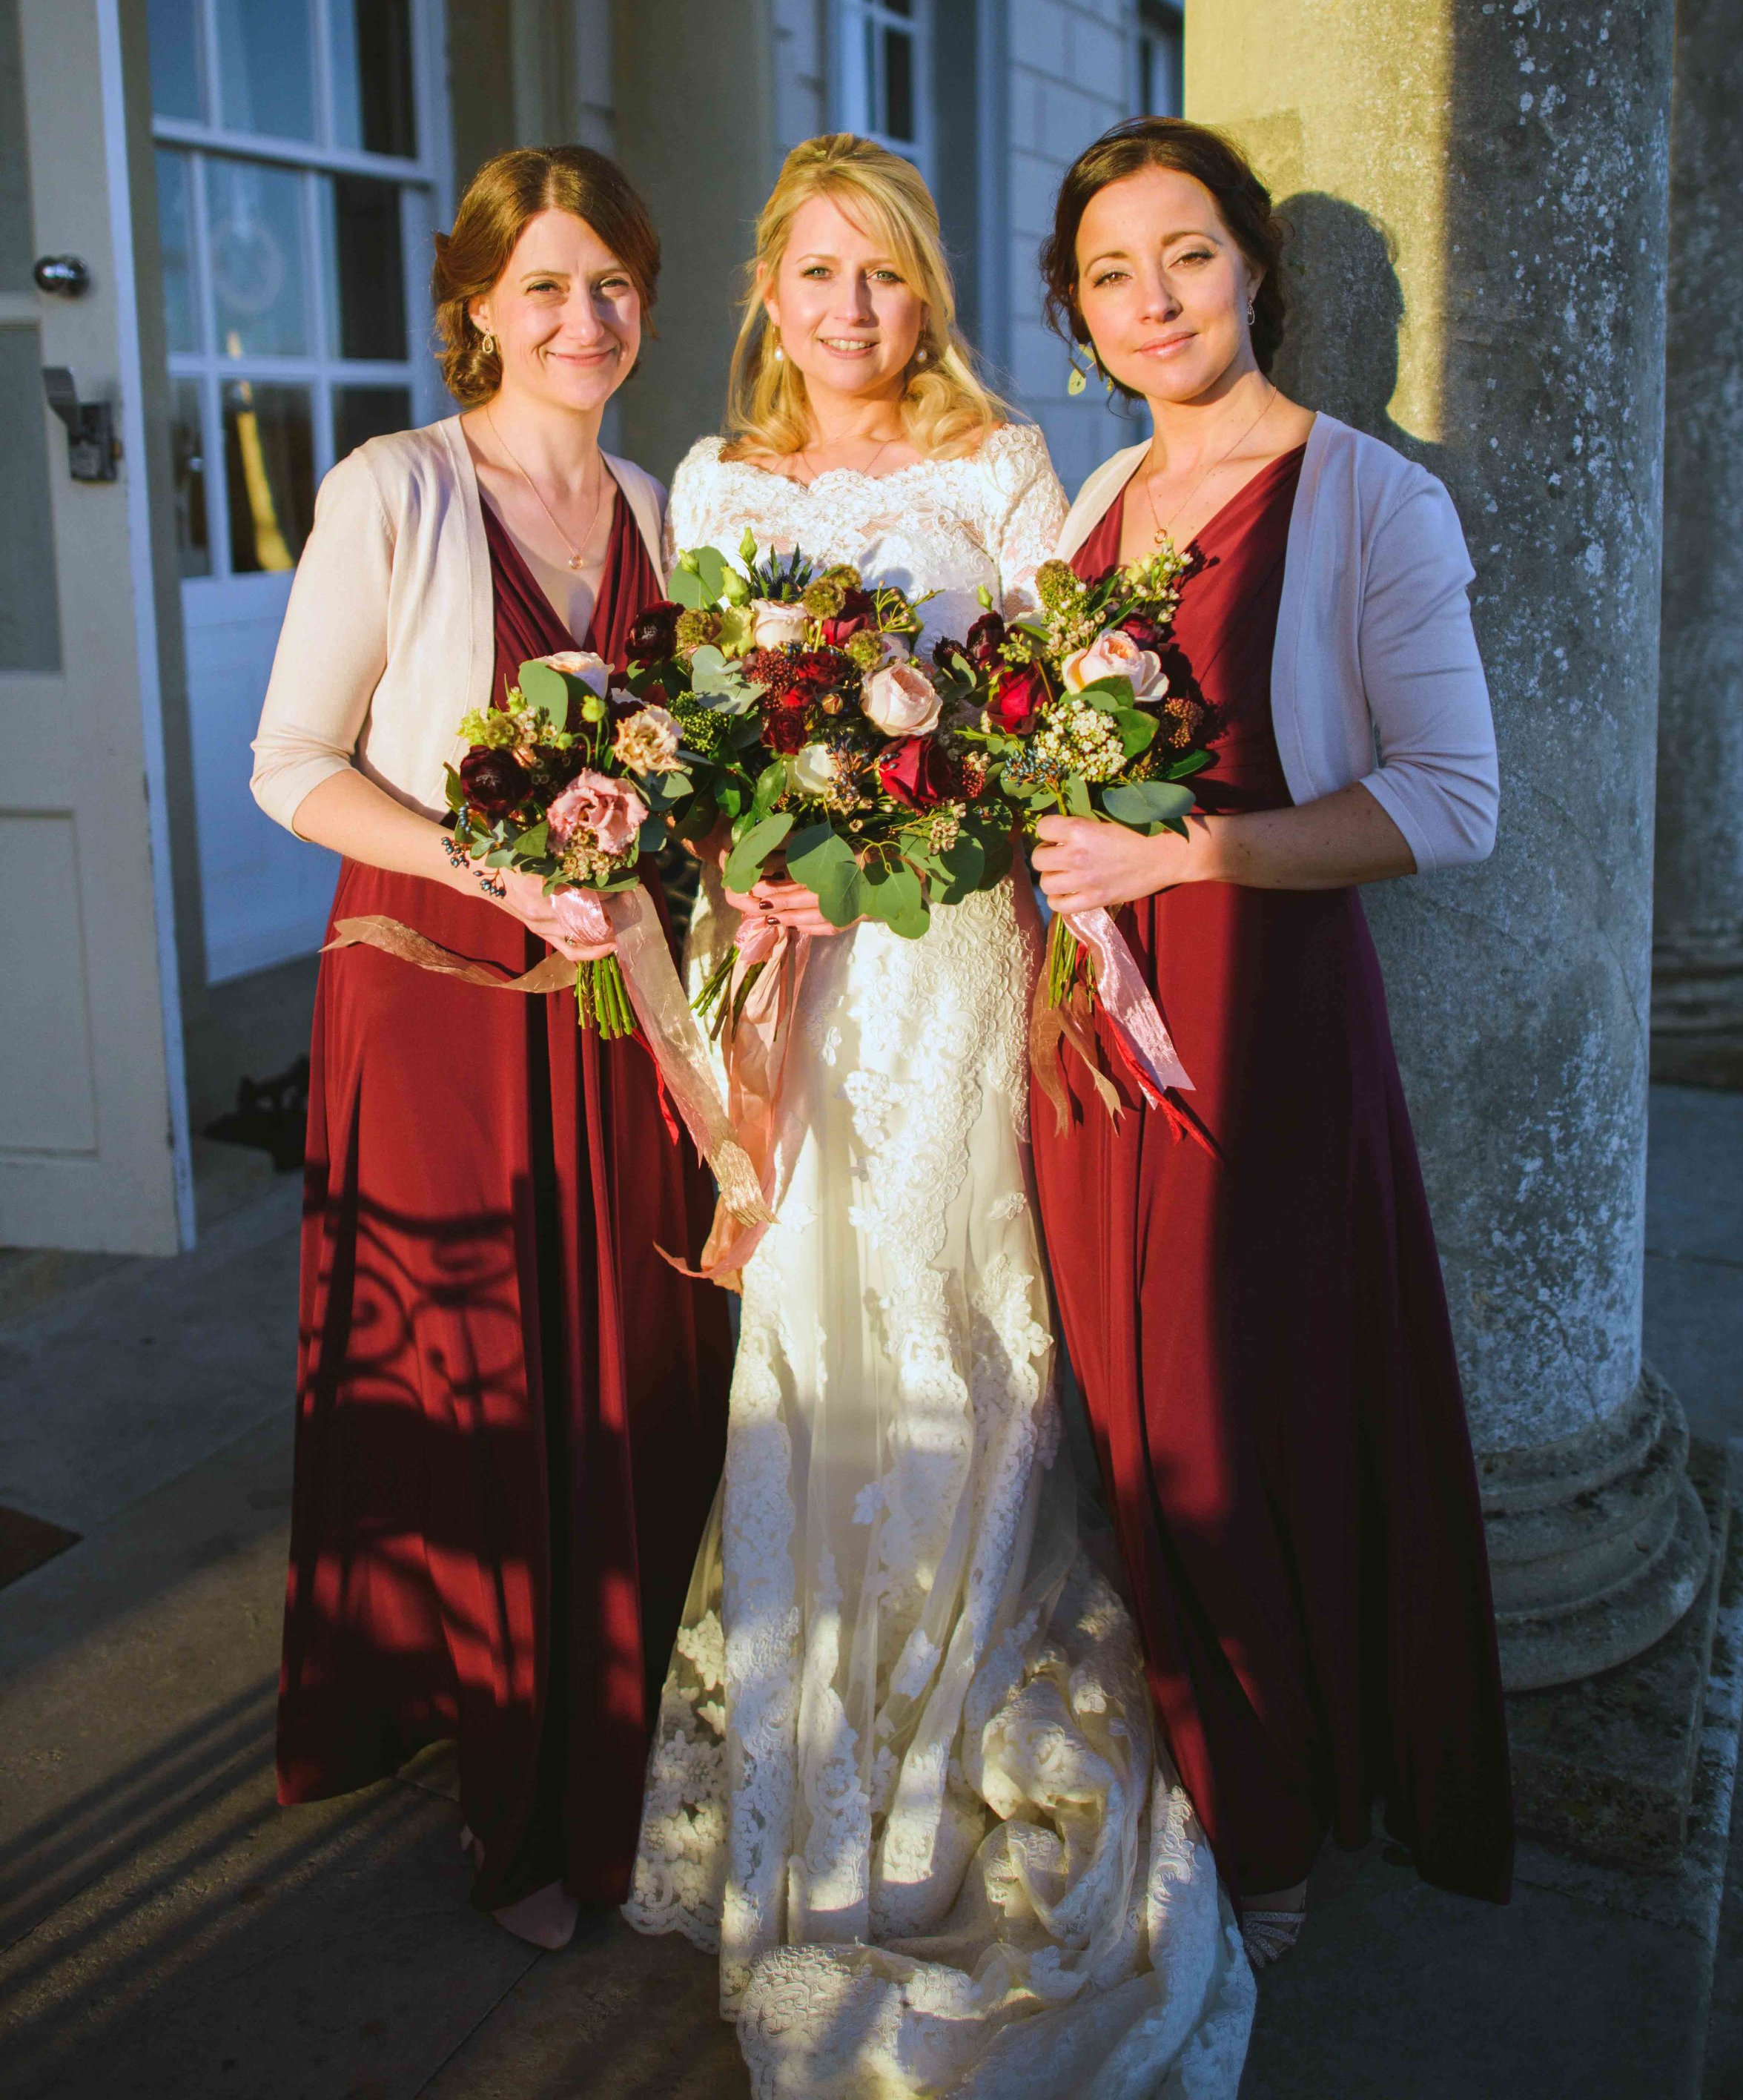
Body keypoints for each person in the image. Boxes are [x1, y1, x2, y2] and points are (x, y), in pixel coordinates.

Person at [624, 133, 1256, 2095]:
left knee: (956, 1327)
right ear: (766, 289)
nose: (851, 311)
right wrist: (752, 844)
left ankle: (954, 1736)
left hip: (949, 962)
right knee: (804, 1328)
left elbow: (1070, 711)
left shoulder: (1001, 469)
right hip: (784, 972)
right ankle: (819, 1774)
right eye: (817, 275)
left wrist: (911, 821)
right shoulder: (711, 482)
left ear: (930, 292)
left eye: (884, 276)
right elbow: (692, 728)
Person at [1028, 116, 1514, 1965]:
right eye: (1108, 272)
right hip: (1084, 1033)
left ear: (1252, 271)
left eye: (1186, 254)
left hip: (1261, 1025)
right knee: (1128, 1414)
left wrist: (1184, 850)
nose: (1152, 299)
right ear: (1076, 315)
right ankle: (1192, 1750)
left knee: (1248, 1410)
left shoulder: (1371, 498)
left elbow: (1452, 801)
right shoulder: (1082, 514)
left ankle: (1274, 1814)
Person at [250, 146, 730, 1951]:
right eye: (543, 285)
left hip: (621, 996)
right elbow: (290, 765)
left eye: (610, 282)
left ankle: (633, 1733)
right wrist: (494, 862)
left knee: (640, 1356)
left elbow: (692, 772)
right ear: (475, 307)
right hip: (441, 993)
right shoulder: (394, 488)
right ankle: (517, 1789)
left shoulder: (668, 510)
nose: (583, 318)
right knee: (485, 1380)